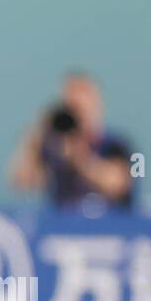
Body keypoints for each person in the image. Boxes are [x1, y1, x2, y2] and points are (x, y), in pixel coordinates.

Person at [8, 72, 135, 210]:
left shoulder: (114, 143)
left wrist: (80, 157)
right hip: (62, 225)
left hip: (107, 226)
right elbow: (22, 182)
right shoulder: (55, 146)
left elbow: (117, 184)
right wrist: (36, 135)